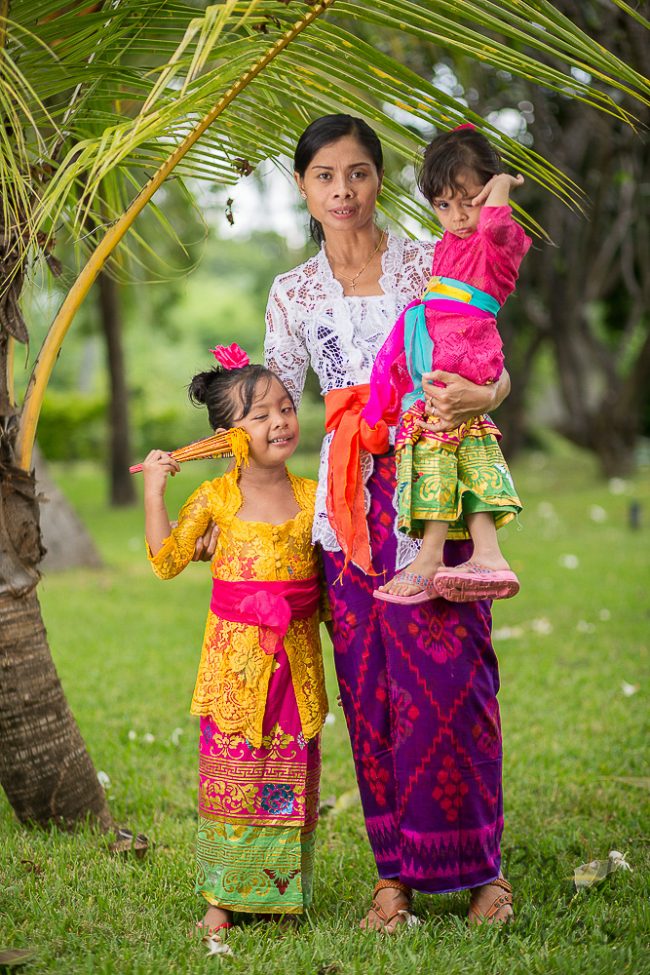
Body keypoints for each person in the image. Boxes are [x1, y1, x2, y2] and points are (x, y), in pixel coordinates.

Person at [264, 114, 514, 931]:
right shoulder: (292, 292)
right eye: (325, 175)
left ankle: (483, 872)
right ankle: (393, 875)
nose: (343, 190)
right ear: (303, 187)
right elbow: (272, 413)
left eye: (359, 172)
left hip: (431, 485)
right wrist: (236, 497)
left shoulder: (428, 261)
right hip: (346, 507)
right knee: (369, 691)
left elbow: (490, 358)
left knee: (456, 680)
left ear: (379, 177)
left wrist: (484, 395)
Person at [143, 345, 328, 946]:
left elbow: (331, 590)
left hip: (296, 665)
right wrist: (155, 491)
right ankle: (221, 900)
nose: (280, 422)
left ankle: (279, 893)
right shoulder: (216, 499)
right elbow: (167, 561)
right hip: (235, 671)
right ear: (229, 437)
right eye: (261, 415)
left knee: (288, 778)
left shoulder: (314, 498)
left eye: (286, 408)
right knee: (234, 777)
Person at [365, 125, 530, 605]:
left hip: (467, 352)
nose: (457, 216)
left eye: (469, 201)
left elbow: (496, 225)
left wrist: (501, 189)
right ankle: (487, 554)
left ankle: (430, 557)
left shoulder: (498, 241)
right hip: (444, 352)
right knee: (462, 449)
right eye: (443, 204)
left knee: (435, 446)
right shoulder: (448, 243)